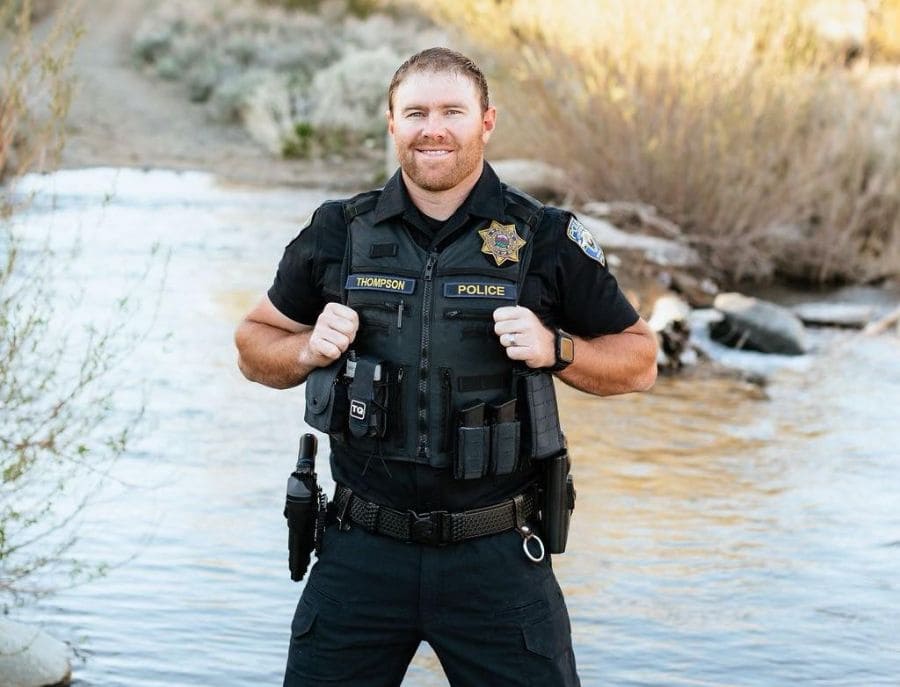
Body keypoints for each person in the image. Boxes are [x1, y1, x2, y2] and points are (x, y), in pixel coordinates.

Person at [235, 47, 658, 687]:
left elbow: (640, 360)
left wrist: (557, 350)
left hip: (496, 558)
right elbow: (251, 343)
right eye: (416, 113)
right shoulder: (338, 232)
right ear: (392, 124)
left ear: (486, 121)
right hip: (360, 552)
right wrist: (305, 351)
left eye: (452, 111)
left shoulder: (543, 235)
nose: (433, 129)